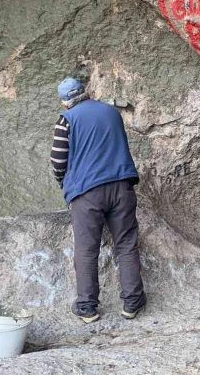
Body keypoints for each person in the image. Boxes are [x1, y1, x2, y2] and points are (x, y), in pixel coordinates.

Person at [50, 77, 146, 323]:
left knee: (86, 249)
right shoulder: (111, 112)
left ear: (65, 102)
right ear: (85, 92)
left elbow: (58, 161)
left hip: (87, 192)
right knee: (126, 243)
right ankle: (132, 302)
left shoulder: (67, 120)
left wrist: (65, 183)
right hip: (122, 185)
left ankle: (87, 307)